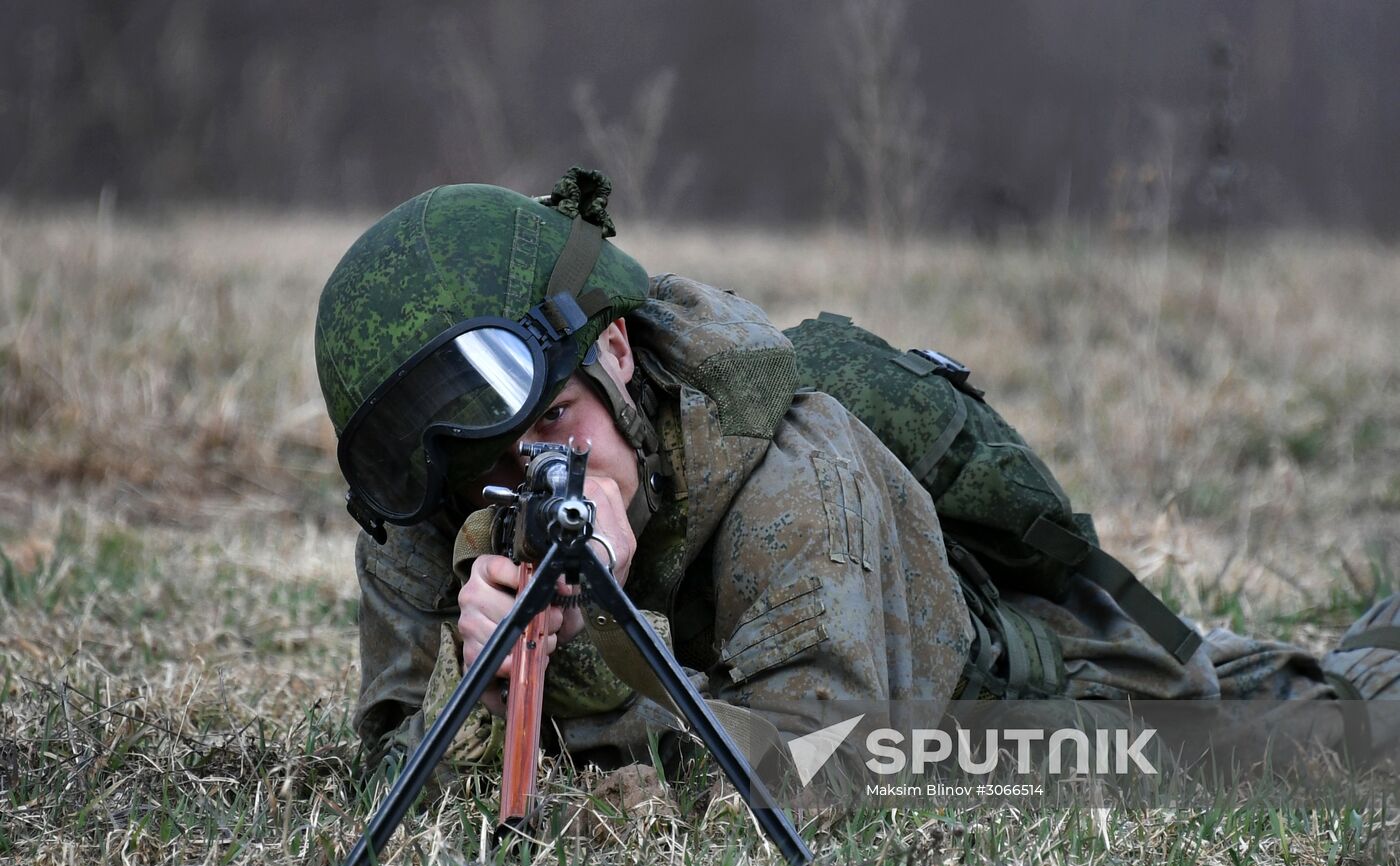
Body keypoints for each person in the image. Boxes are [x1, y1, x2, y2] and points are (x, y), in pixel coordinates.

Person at [315, 168, 1399, 787]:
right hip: (826, 686)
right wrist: (481, 677)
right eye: (489, 463)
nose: (538, 471)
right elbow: (400, 766)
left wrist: (597, 643)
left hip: (1004, 704)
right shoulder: (444, 501)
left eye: (556, 420)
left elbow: (822, 779)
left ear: (614, 353)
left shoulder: (795, 482)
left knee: (1327, 737)